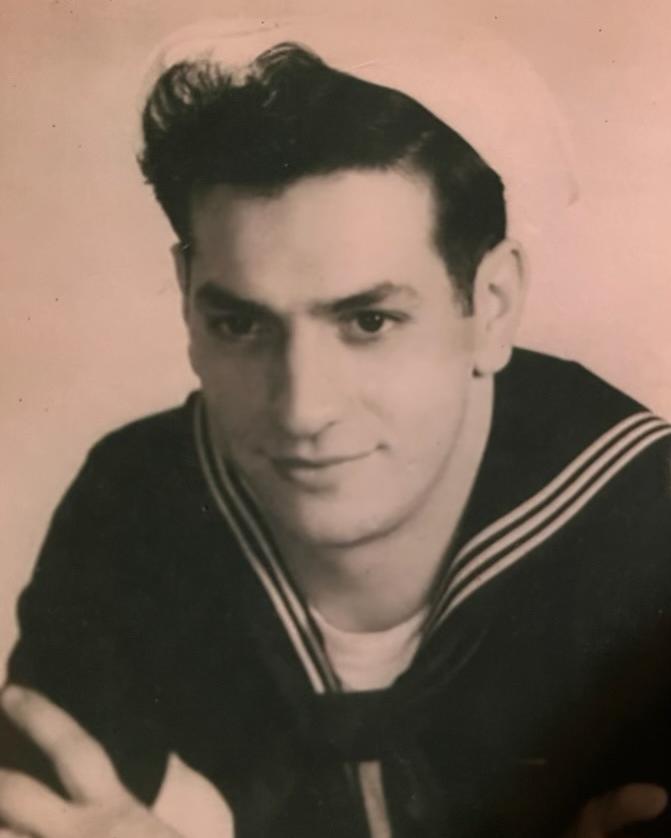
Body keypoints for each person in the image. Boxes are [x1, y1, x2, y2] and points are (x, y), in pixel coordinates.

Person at [1, 18, 671, 838]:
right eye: (241, 325)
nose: (301, 409)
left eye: (369, 321)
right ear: (186, 298)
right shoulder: (138, 501)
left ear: (491, 306)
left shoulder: (644, 521)